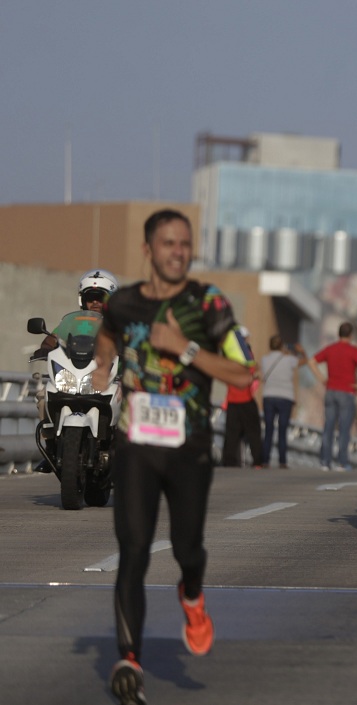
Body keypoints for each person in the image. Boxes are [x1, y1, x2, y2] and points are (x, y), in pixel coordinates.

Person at [92, 209, 255, 705]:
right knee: (134, 549)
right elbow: (107, 336)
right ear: (148, 250)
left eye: (185, 243)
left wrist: (185, 350)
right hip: (137, 445)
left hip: (190, 447)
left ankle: (192, 596)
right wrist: (103, 366)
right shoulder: (122, 304)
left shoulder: (209, 305)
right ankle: (129, 660)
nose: (178, 251)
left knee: (187, 550)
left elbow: (244, 373)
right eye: (168, 243)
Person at [35, 269, 120, 473]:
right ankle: (52, 449)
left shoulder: (118, 324)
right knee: (42, 397)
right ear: (83, 300)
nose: (96, 303)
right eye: (91, 298)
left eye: (101, 298)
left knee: (130, 403)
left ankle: (129, 456)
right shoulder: (73, 324)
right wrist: (45, 348)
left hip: (108, 378)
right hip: (76, 375)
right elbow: (53, 338)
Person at [306, 321, 357, 471]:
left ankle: (325, 461)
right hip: (347, 392)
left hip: (330, 391)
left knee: (328, 427)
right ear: (351, 335)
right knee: (344, 429)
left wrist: (322, 379)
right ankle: (342, 462)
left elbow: (311, 361)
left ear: (339, 334)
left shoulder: (331, 349)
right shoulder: (354, 351)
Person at [260, 335, 306, 468]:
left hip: (268, 396)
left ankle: (265, 460)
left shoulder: (264, 359)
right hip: (286, 397)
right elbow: (304, 361)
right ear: (281, 346)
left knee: (268, 429)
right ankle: (282, 461)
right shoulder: (290, 359)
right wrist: (300, 351)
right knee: (282, 430)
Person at [221, 331, 262, 468]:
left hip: (232, 402)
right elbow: (255, 370)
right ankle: (257, 462)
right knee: (254, 432)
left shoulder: (227, 360)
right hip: (246, 400)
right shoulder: (246, 358)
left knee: (231, 435)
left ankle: (228, 462)